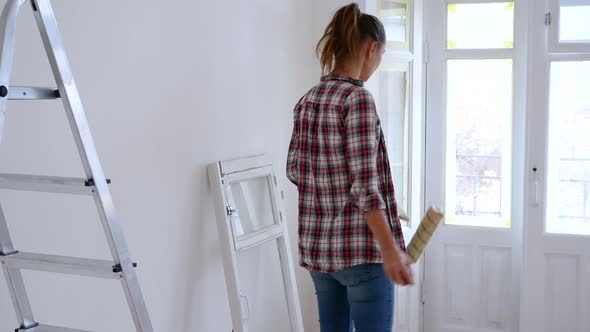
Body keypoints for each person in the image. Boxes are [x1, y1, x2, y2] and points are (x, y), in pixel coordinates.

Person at [286, 3, 414, 331]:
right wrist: (391, 251)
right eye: (381, 55)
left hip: (320, 254)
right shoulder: (357, 100)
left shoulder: (308, 100)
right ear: (372, 48)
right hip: (363, 255)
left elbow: (297, 172)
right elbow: (364, 187)